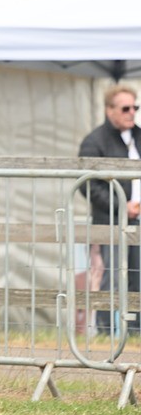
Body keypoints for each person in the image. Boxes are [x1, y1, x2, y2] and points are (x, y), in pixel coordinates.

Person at [78, 84, 141, 334]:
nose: (131, 112)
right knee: (111, 278)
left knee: (138, 276)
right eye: (125, 108)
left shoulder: (139, 135)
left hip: (138, 221)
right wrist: (121, 206)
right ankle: (106, 332)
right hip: (110, 221)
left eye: (135, 107)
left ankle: (136, 332)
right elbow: (88, 186)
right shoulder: (94, 142)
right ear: (109, 110)